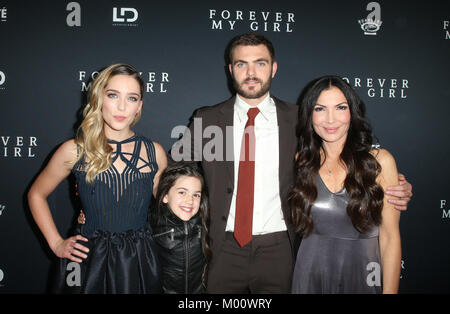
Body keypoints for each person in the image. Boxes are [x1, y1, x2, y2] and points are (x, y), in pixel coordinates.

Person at [172, 33, 412, 293]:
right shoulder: (208, 120)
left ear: (274, 68)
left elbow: (345, 157)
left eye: (260, 63)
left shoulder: (300, 119)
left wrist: (394, 184)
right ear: (231, 70)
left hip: (281, 250)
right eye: (242, 64)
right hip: (224, 247)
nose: (251, 72)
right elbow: (171, 175)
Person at [27, 63, 167, 293]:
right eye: (113, 95)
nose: (122, 106)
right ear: (99, 98)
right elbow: (36, 194)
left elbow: (167, 205)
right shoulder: (74, 150)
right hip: (89, 260)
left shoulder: (155, 152)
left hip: (139, 260)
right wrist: (56, 243)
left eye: (132, 98)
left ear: (139, 106)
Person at [290, 75, 401, 293]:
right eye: (320, 109)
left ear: (352, 112)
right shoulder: (300, 162)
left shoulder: (380, 161)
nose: (330, 119)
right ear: (309, 115)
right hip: (309, 274)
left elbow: (390, 238)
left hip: (364, 274)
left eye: (340, 107)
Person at [150, 162, 210, 294]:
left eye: (196, 195)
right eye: (182, 192)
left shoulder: (206, 225)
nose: (190, 200)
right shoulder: (151, 227)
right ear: (165, 196)